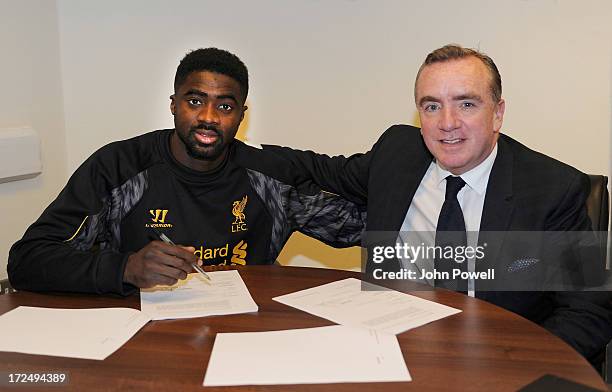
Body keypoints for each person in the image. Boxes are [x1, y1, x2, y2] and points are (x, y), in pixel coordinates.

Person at [262, 44, 612, 363]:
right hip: (392, 351)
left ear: (498, 113)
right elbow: (316, 168)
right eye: (432, 106)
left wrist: (516, 368)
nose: (447, 123)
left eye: (466, 104)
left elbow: (588, 310)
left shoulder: (553, 188)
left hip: (498, 358)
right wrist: (224, 151)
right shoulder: (397, 154)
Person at [7, 48, 365, 295]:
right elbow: (27, 261)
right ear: (174, 105)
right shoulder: (117, 168)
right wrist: (126, 268)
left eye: (224, 105)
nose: (209, 117)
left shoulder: (271, 177)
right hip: (142, 339)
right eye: (195, 101)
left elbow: (364, 227)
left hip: (245, 333)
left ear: (241, 115)